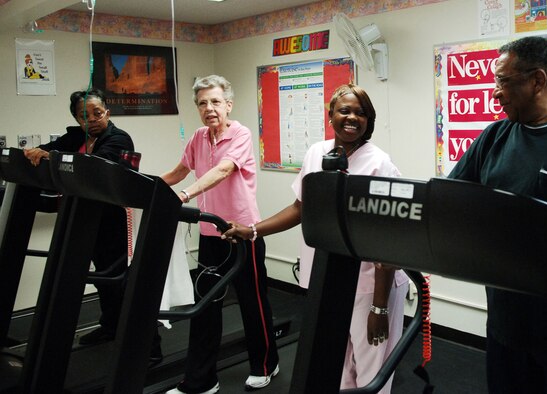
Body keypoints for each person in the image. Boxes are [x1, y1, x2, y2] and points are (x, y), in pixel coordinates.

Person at [222, 84, 409, 393]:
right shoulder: (316, 153)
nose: (352, 118)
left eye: (361, 113)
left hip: (369, 285)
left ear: (369, 120)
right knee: (335, 364)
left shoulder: (380, 163)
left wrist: (379, 308)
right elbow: (300, 207)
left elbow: (386, 238)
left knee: (371, 369)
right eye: (344, 110)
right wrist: (253, 229)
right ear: (331, 114)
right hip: (326, 278)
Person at [448, 36, 547, 394]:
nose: (495, 93)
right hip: (506, 322)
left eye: (503, 81)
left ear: (537, 81)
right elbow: (450, 199)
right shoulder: (494, 136)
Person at [24, 88, 162, 364]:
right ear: (77, 119)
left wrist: (54, 158)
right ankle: (110, 327)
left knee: (122, 282)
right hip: (83, 220)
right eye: (83, 116)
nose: (92, 120)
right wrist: (37, 152)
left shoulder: (119, 138)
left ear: (107, 113)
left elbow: (97, 167)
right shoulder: (76, 137)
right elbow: (51, 151)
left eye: (97, 113)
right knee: (102, 282)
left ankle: (150, 347)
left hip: (111, 222)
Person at [162, 75, 279, 394]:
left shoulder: (240, 133)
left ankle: (266, 364)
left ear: (228, 104)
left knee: (252, 302)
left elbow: (223, 170)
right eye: (202, 103)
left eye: (215, 102)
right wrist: (140, 190)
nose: (209, 108)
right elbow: (178, 172)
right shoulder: (198, 137)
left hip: (242, 234)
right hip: (210, 235)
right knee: (205, 308)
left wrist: (184, 196)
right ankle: (201, 380)